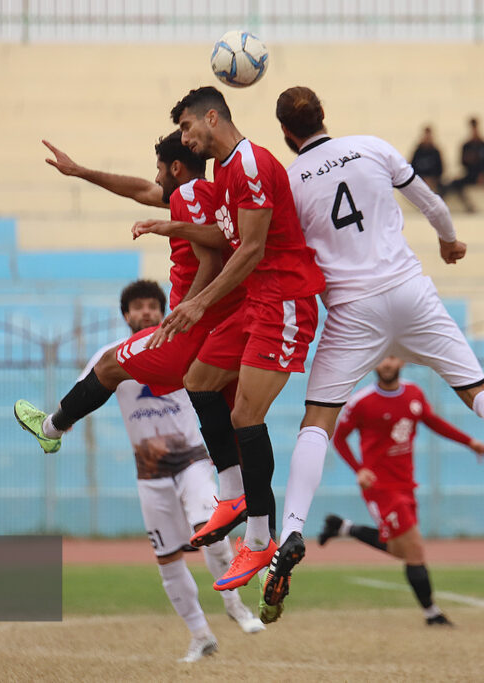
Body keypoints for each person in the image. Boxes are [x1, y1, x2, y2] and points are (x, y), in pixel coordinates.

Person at [260, 86, 484, 622]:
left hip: (353, 309)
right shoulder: (372, 146)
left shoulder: (289, 180)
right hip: (411, 292)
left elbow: (277, 248)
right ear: (325, 115)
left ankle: (294, 530)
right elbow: (432, 203)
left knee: (318, 420)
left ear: (284, 133)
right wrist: (449, 240)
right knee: (476, 391)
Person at [14, 131, 251, 551]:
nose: (155, 180)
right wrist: (79, 170)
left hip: (190, 329)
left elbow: (209, 260)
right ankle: (249, 517)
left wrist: (189, 308)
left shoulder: (190, 194)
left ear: (175, 169)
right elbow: (142, 191)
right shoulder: (210, 193)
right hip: (229, 328)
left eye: (160, 170)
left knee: (108, 364)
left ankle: (52, 428)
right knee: (237, 415)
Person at [131, 86, 326, 592]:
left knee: (244, 415)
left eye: (188, 128)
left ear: (211, 118)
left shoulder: (253, 165)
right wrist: (172, 224)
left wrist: (197, 302)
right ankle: (234, 496)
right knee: (198, 378)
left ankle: (259, 539)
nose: (186, 139)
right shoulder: (225, 172)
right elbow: (230, 239)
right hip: (257, 301)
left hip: (284, 301)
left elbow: (253, 248)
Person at [78, 280, 263, 662]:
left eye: (152, 306)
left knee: (208, 530)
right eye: (137, 307)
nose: (145, 312)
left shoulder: (183, 348)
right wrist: (57, 424)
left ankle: (235, 605)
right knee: (167, 560)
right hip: (149, 473)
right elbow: (81, 394)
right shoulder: (110, 357)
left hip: (193, 460)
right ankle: (200, 636)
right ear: (125, 315)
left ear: (163, 311)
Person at [317, 356, 484, 626]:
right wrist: (359, 469)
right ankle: (432, 614)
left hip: (406, 484)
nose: (387, 364)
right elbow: (339, 436)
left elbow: (433, 421)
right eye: (382, 359)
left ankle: (343, 527)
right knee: (414, 550)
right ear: (374, 364)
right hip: (379, 487)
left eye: (392, 357)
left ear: (401, 361)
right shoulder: (361, 402)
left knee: (401, 549)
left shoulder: (414, 393)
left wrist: (470, 442)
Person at [445, 117, 484, 214]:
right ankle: (469, 206)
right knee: (455, 183)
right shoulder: (466, 146)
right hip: (472, 176)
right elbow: (462, 164)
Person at [410, 126, 445, 196]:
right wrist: (422, 179)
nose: (427, 138)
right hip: (420, 180)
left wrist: (432, 179)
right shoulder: (418, 152)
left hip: (433, 181)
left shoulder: (435, 152)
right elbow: (412, 168)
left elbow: (440, 169)